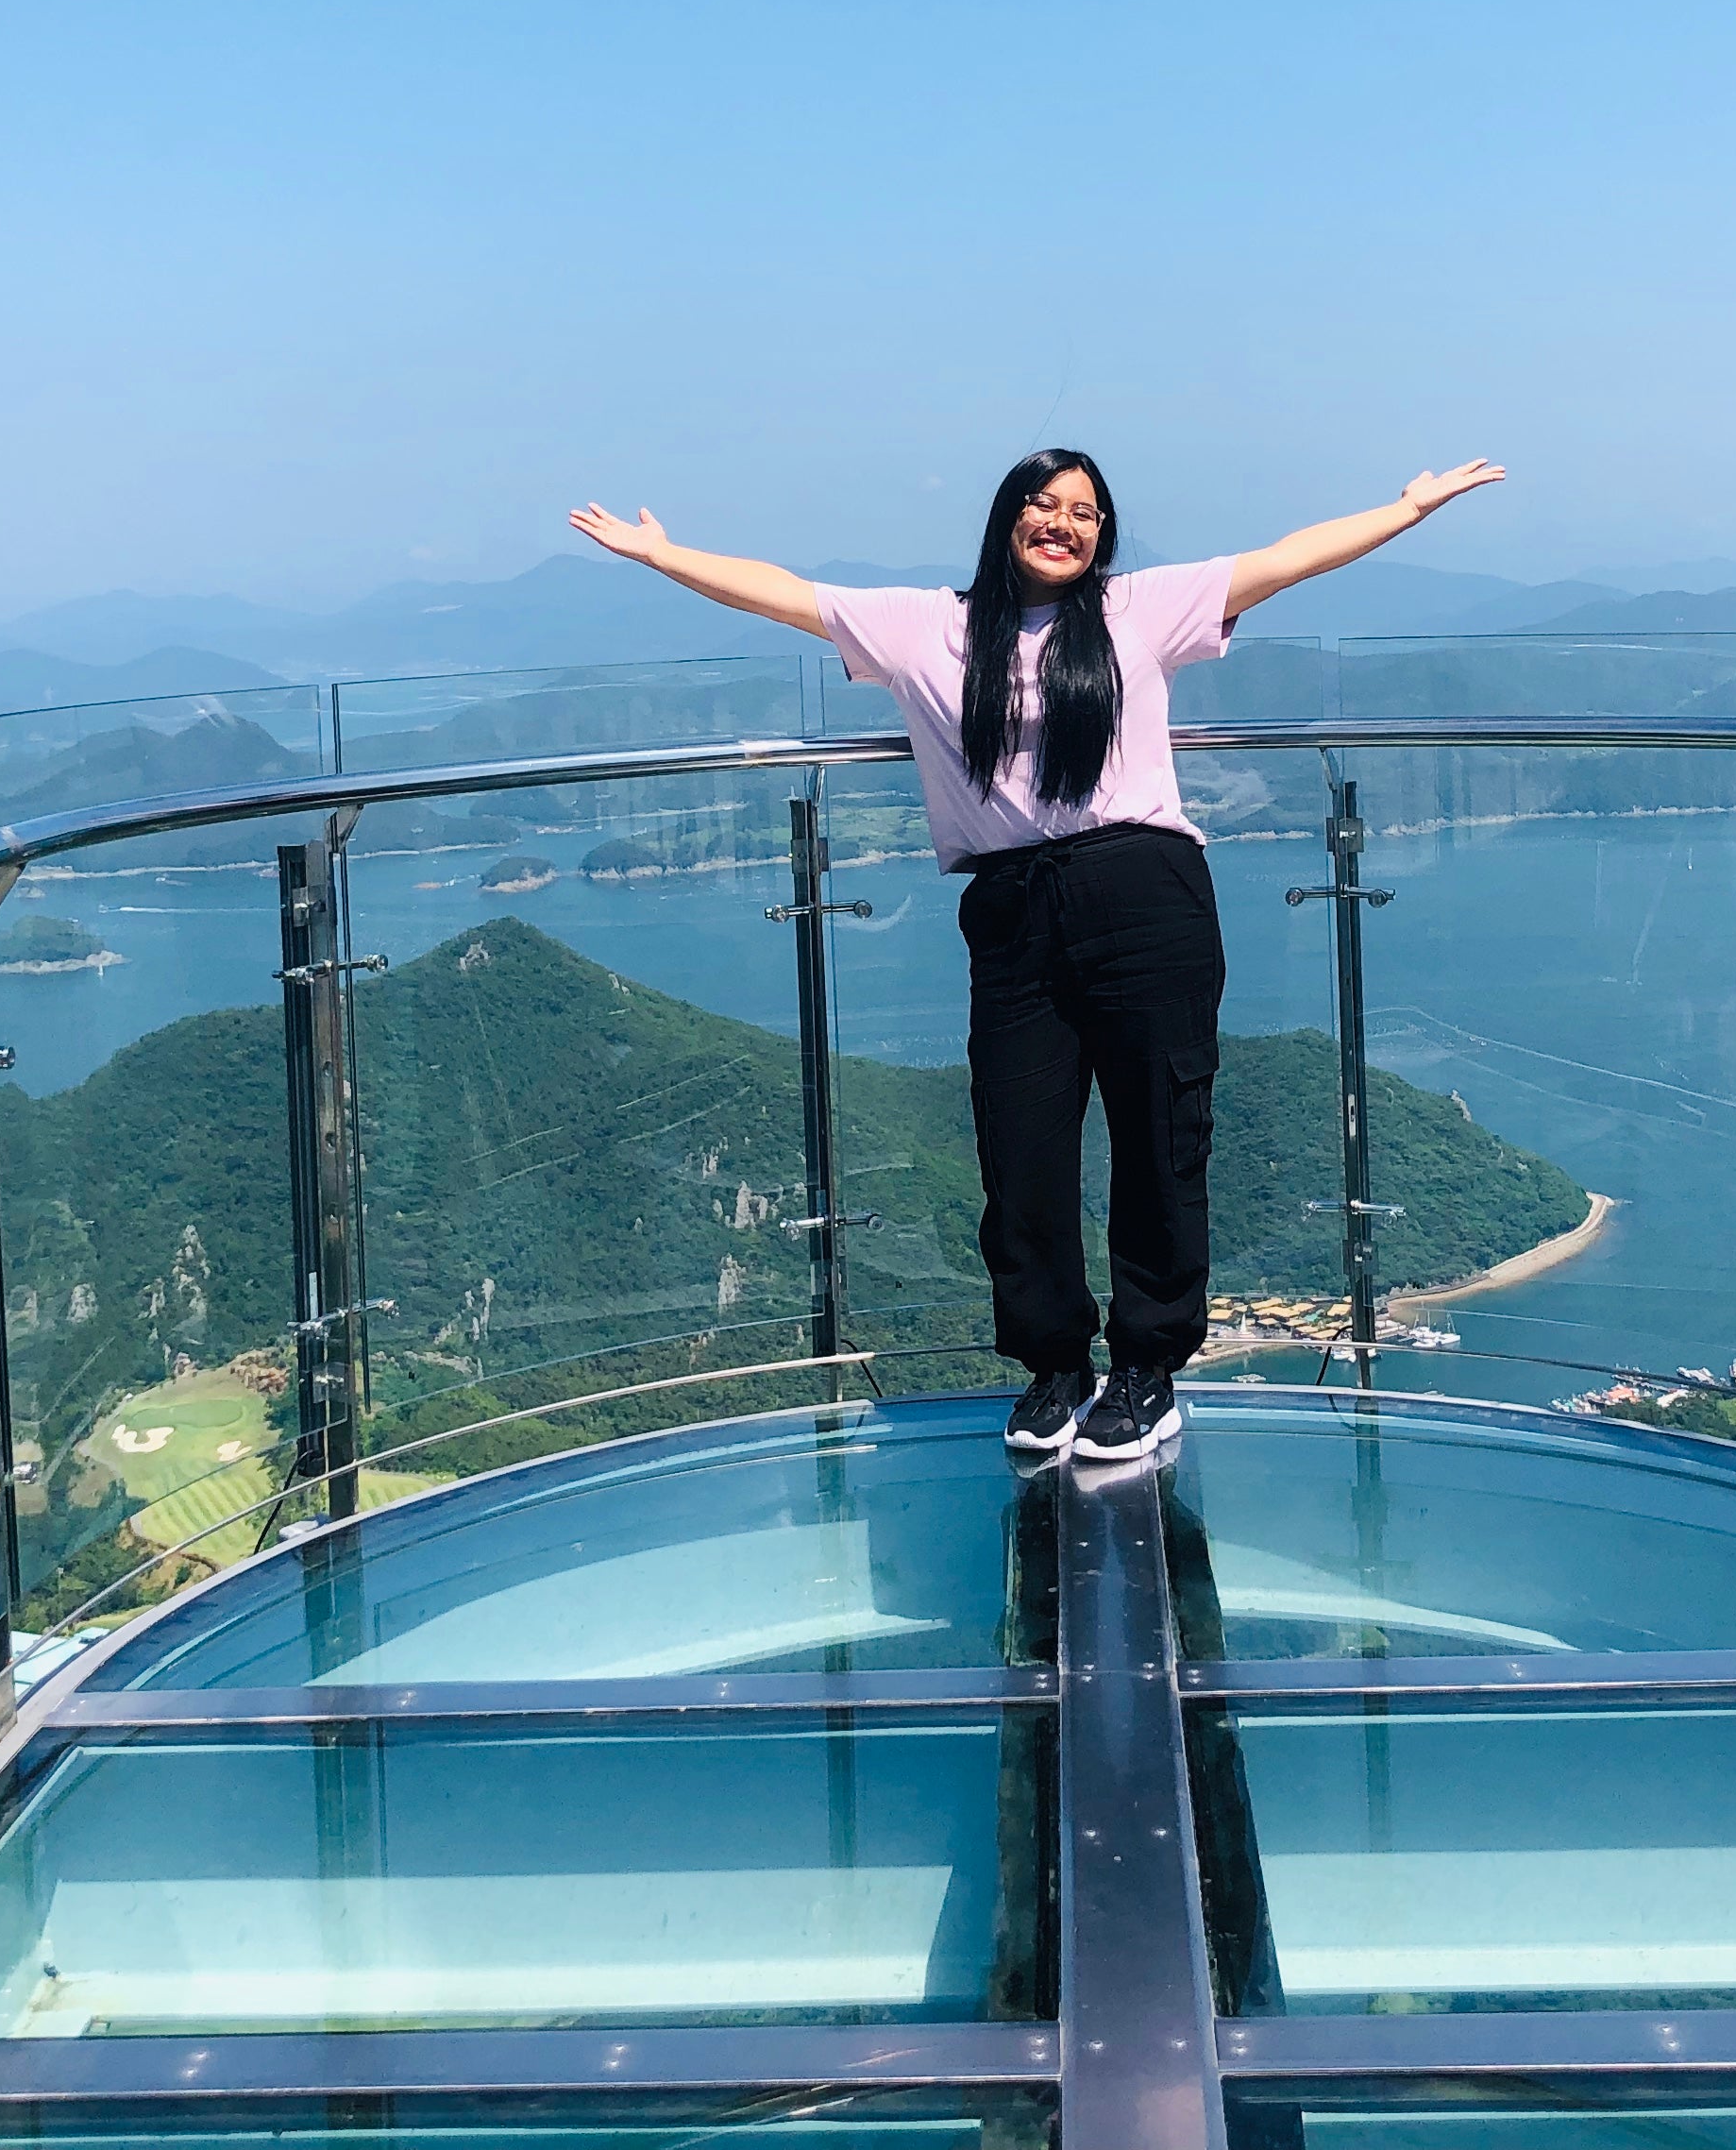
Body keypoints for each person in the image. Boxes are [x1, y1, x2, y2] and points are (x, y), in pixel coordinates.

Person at [567, 449, 1507, 1462]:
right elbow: (791, 596)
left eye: (1087, 514)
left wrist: (1406, 509)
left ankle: (1148, 1371)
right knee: (1021, 1151)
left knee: (1160, 1135)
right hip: (1012, 909)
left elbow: (1283, 562)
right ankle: (1055, 1365)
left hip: (1146, 891)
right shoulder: (924, 627)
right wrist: (662, 556)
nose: (1065, 524)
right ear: (1007, 517)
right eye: (1045, 505)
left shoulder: (1141, 611)